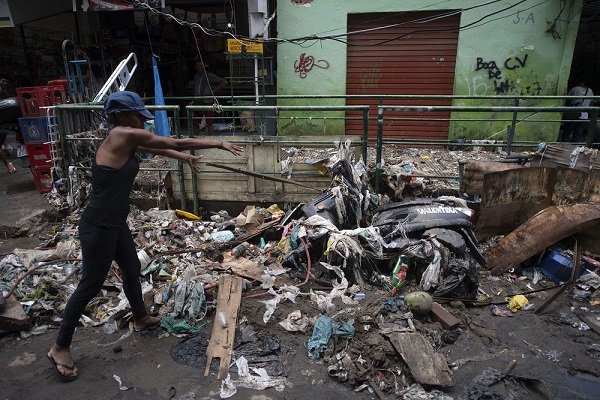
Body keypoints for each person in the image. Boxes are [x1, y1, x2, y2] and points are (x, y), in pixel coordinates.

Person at [47, 90, 244, 382]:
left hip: (115, 224)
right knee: (89, 285)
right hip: (99, 226)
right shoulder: (121, 135)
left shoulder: (128, 138)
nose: (142, 119)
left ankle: (139, 317)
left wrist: (184, 158)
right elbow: (172, 141)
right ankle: (59, 346)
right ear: (121, 116)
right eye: (138, 115)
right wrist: (219, 142)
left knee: (132, 268)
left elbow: (165, 149)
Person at [193, 59, 228, 135]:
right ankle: (194, 139)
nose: (199, 67)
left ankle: (210, 139)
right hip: (197, 102)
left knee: (209, 122)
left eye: (201, 66)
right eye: (198, 66)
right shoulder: (196, 76)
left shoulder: (209, 75)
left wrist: (213, 91)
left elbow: (224, 82)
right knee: (195, 122)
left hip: (207, 101)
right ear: (196, 67)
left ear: (204, 66)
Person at [562, 78, 594, 143]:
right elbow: (591, 102)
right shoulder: (590, 90)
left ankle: (565, 147)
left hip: (573, 113)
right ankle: (574, 148)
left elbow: (567, 99)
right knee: (578, 134)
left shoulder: (575, 89)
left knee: (567, 131)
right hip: (584, 115)